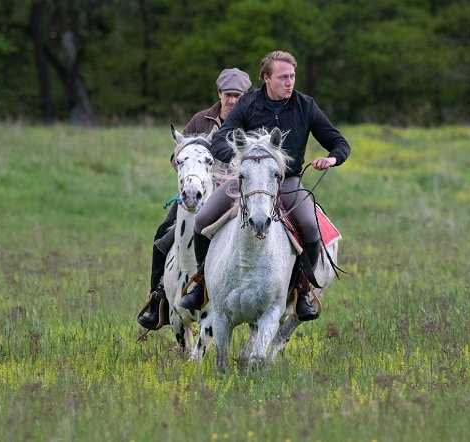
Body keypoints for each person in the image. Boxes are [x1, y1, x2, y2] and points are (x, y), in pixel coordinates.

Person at [179, 50, 351, 321]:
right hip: (246, 181)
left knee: (310, 227)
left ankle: (302, 291)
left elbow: (339, 143)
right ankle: (201, 283)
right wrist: (240, 159)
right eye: (283, 77)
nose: (290, 82)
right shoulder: (248, 104)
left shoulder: (306, 105)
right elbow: (220, 140)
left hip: (288, 182)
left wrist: (331, 158)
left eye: (292, 76)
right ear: (266, 78)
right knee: (201, 220)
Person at [137, 68, 252, 330]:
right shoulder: (200, 120)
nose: (232, 100)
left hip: (238, 193)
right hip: (198, 194)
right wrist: (195, 177)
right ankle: (158, 299)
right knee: (162, 236)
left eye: (238, 95)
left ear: (246, 96)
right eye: (227, 95)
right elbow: (176, 157)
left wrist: (229, 178)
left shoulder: (252, 122)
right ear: (219, 94)